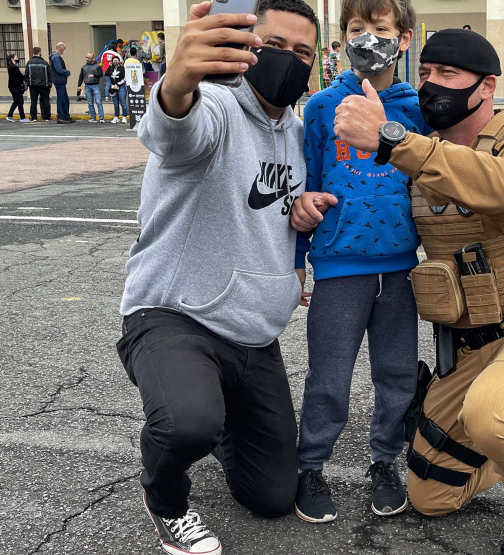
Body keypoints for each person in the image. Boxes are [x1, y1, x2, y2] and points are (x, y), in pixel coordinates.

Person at [291, 29, 504, 555]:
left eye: (447, 75)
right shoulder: (426, 157)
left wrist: (397, 140)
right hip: (475, 345)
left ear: (487, 86)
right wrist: (308, 211)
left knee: (494, 414)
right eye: (424, 73)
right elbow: (366, 203)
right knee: (431, 494)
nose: (430, 86)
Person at [115, 0, 319, 553]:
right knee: (186, 424)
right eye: (273, 46)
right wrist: (176, 78)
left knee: (274, 496)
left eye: (302, 52)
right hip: (174, 316)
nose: (288, 61)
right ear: (248, 47)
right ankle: (166, 500)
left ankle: (215, 412)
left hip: (253, 335)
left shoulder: (301, 134)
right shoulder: (218, 106)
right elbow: (174, 129)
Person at [291, 0, 427, 524]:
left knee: (395, 374)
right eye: (356, 28)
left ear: (405, 38)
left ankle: (384, 461)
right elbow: (306, 188)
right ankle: (311, 465)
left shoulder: (417, 109)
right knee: (329, 375)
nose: (368, 38)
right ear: (341, 37)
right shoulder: (323, 106)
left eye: (381, 29)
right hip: (339, 265)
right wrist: (299, 261)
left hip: (399, 267)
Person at [25, 47, 52, 122]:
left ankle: (34, 117)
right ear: (39, 52)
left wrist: (27, 83)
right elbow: (49, 74)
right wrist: (49, 84)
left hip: (33, 85)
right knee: (45, 101)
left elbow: (26, 74)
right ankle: (46, 117)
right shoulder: (45, 63)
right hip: (44, 85)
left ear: (33, 53)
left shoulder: (29, 63)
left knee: (33, 101)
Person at [49, 42, 74, 123]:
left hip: (60, 81)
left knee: (65, 99)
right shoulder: (56, 57)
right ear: (61, 48)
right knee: (61, 98)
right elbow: (59, 69)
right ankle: (61, 116)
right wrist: (67, 72)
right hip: (59, 81)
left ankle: (65, 115)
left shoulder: (55, 57)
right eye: (64, 48)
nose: (65, 50)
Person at [77, 52, 105, 123]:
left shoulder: (97, 66)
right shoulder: (83, 67)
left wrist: (94, 75)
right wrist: (79, 85)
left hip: (95, 85)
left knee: (98, 101)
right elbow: (81, 76)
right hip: (87, 85)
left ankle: (101, 117)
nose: (87, 59)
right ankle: (93, 117)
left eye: (89, 58)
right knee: (90, 102)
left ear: (93, 58)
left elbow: (100, 74)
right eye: (86, 57)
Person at [106, 56, 128, 123]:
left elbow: (125, 78)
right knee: (115, 103)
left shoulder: (122, 68)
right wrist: (109, 66)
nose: (115, 61)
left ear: (119, 61)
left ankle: (124, 116)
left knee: (123, 102)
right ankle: (116, 116)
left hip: (121, 87)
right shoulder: (111, 69)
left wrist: (117, 84)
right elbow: (106, 74)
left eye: (116, 60)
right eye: (114, 60)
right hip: (113, 87)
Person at [5, 53, 26, 122]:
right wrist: (25, 76)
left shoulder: (10, 67)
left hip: (12, 87)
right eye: (16, 57)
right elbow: (19, 77)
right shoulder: (14, 67)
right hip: (16, 87)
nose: (17, 59)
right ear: (12, 59)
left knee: (16, 102)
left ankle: (9, 115)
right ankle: (22, 117)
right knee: (20, 102)